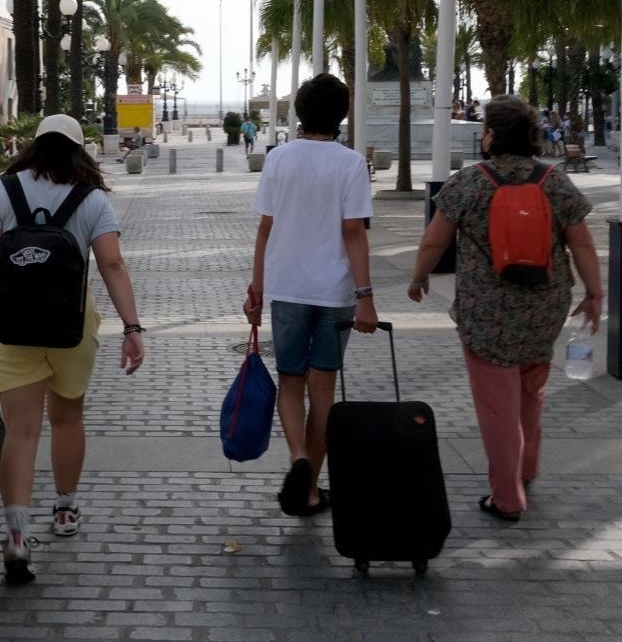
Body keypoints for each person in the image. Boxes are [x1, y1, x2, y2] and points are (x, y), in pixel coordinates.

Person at [0, 114, 144, 584]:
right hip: (72, 325)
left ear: (34, 147)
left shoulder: (2, 190)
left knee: (20, 431)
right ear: (79, 150)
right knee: (68, 417)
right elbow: (112, 263)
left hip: (11, 324)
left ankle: (17, 532)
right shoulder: (92, 198)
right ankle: (64, 508)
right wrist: (132, 327)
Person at [407, 95, 602, 522]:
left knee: (498, 406)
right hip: (544, 308)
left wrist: (419, 277)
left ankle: (507, 497)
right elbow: (582, 243)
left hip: (486, 312)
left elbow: (434, 240)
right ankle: (526, 470)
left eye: (485, 128)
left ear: (493, 134)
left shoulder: (469, 182)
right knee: (531, 391)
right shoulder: (554, 181)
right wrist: (595, 294)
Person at [243, 73, 378, 518]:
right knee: (323, 389)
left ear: (300, 112)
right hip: (335, 291)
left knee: (290, 382)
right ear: (341, 114)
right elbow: (353, 231)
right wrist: (365, 297)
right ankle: (311, 490)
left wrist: (257, 289)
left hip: (287, 288)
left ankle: (299, 459)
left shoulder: (279, 160)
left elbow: (265, 229)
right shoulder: (351, 163)